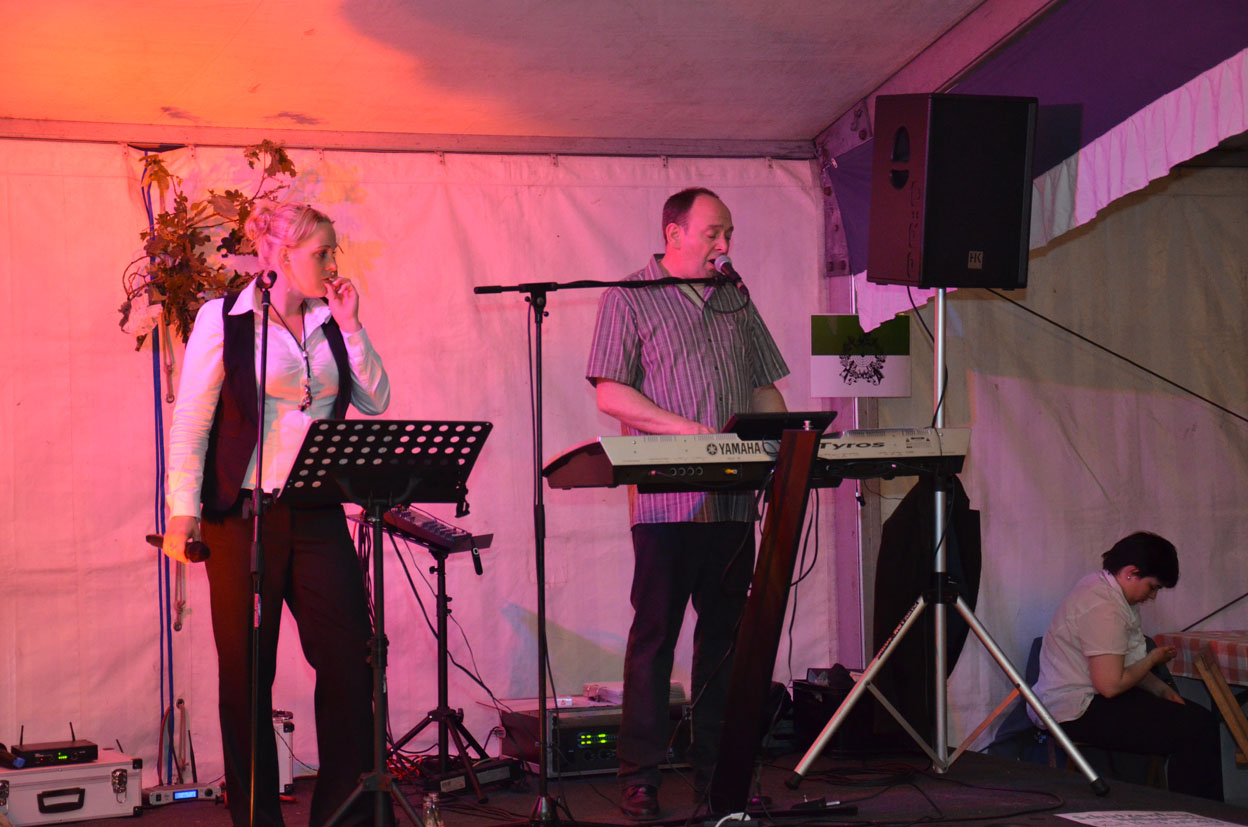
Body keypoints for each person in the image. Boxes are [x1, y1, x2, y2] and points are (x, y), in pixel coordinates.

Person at [162, 200, 391, 826]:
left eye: (333, 251)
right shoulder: (225, 319)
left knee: (349, 662)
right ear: (281, 256)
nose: (333, 263)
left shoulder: (329, 319)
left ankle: (344, 815)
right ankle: (257, 819)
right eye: (322, 253)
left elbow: (375, 399)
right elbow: (192, 422)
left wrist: (351, 325)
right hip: (243, 517)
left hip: (316, 510)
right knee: (246, 676)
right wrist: (183, 511)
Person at [586, 187, 789, 819]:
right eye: (713, 233)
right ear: (674, 234)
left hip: (733, 504)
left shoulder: (736, 298)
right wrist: (687, 430)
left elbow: (764, 389)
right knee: (655, 640)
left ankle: (719, 777)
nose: (724, 245)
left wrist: (783, 442)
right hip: (666, 505)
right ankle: (639, 777)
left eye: (728, 233)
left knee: (725, 643)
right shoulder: (628, 297)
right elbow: (610, 394)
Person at [1030, 531, 1223, 801]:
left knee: (1200, 720)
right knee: (1194, 730)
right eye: (1153, 587)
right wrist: (1152, 660)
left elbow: (1128, 664)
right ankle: (1195, 813)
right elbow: (1110, 685)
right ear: (1132, 572)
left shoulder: (1110, 591)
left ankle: (1196, 811)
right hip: (1073, 709)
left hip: (1093, 696)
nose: (1152, 596)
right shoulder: (1102, 605)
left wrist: (1162, 691)